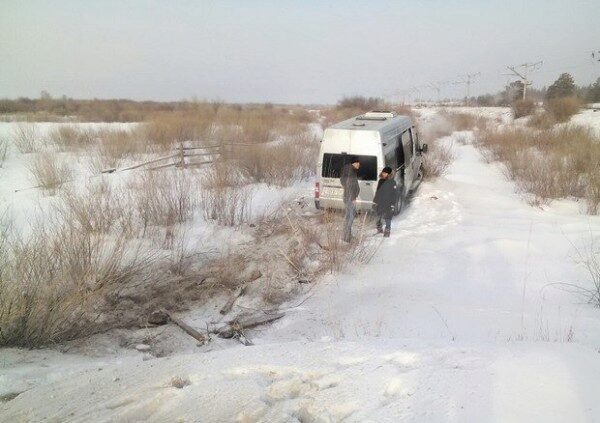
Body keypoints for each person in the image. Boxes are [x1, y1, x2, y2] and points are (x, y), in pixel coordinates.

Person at [373, 166, 397, 238]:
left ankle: (387, 231)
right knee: (378, 217)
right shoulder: (380, 181)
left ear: (389, 174)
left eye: (385, 173)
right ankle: (379, 229)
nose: (383, 174)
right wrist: (375, 202)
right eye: (383, 172)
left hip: (388, 203)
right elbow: (378, 192)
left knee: (387, 218)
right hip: (380, 202)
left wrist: (393, 204)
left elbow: (394, 194)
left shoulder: (393, 182)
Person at [340, 156, 360, 242]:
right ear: (354, 163)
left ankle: (347, 236)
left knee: (348, 217)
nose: (359, 165)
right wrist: (353, 198)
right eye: (358, 163)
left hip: (347, 197)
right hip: (350, 198)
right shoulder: (351, 171)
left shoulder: (348, 169)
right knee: (350, 217)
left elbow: (342, 181)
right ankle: (347, 237)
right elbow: (349, 185)